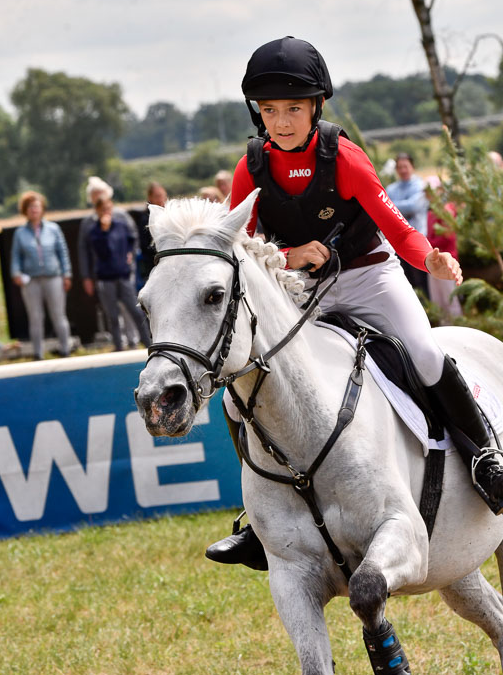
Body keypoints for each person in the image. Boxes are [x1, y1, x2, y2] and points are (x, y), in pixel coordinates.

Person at [205, 36, 503, 570]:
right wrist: (288, 255)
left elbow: (396, 226)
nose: (282, 121)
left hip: (370, 276)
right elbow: (241, 250)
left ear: (316, 106)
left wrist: (430, 257)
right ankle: (258, 520)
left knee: (425, 353)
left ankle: (484, 457)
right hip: (301, 293)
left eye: (293, 109)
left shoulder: (341, 156)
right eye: (269, 111)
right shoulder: (251, 168)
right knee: (237, 394)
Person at [78, 175, 140, 347]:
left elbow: (133, 238)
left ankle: (133, 338)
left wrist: (130, 255)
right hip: (103, 273)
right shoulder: (88, 223)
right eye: (95, 194)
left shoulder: (121, 215)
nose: (98, 197)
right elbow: (84, 250)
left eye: (101, 193)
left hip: (124, 270)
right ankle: (118, 342)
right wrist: (86, 276)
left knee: (129, 306)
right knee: (111, 310)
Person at [10, 191, 72, 360]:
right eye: (30, 207)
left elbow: (63, 252)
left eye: (36, 206)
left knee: (58, 315)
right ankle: (38, 354)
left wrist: (67, 274)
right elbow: (16, 256)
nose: (34, 210)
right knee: (35, 317)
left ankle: (65, 350)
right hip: (31, 281)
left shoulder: (53, 229)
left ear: (42, 208)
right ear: (25, 210)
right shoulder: (20, 233)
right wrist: (16, 273)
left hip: (54, 277)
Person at [89, 196, 151, 351]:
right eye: (102, 210)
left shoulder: (121, 225)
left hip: (123, 275)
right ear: (97, 211)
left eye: (108, 209)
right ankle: (118, 346)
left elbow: (131, 240)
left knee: (136, 311)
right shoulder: (95, 231)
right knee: (113, 315)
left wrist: (129, 254)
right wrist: (104, 232)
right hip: (106, 278)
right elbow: (102, 252)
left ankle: (148, 342)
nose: (106, 213)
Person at [386, 153, 429, 295]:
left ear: (412, 167)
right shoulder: (391, 188)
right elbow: (385, 210)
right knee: (406, 280)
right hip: (398, 242)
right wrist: (395, 208)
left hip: (418, 240)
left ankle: (431, 311)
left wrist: (394, 207)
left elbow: (413, 206)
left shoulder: (421, 185)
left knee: (422, 279)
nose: (403, 170)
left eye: (406, 166)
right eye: (399, 167)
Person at [424, 175, 463, 322]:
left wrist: (428, 242)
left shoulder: (447, 209)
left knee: (450, 298)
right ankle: (444, 330)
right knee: (437, 299)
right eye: (427, 191)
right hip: (433, 259)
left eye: (432, 190)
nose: (430, 194)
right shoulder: (430, 212)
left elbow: (448, 236)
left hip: (447, 260)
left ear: (440, 190)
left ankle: (458, 327)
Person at [138, 182, 168, 285]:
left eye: (162, 195)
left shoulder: (171, 213)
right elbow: (144, 245)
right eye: (157, 196)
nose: (161, 199)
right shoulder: (146, 219)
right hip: (155, 264)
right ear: (150, 198)